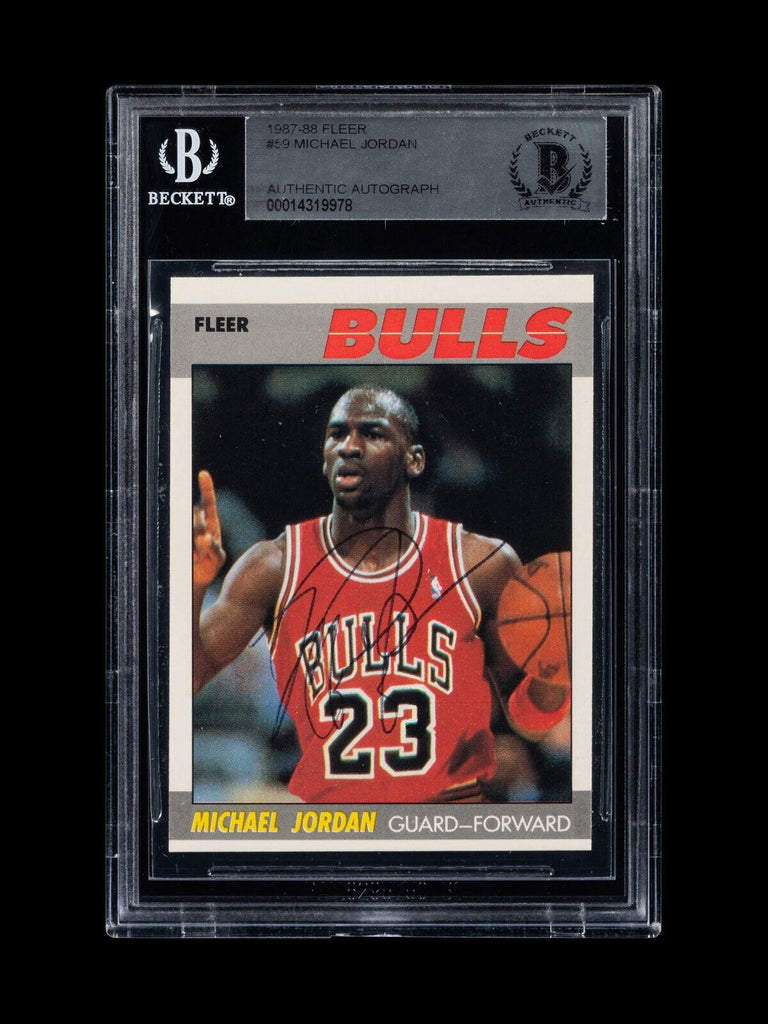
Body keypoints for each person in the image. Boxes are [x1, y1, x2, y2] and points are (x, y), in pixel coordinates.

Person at [193, 386, 570, 803]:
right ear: (324, 458)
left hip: (448, 821)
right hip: (338, 825)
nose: (349, 447)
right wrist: (193, 588)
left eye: (372, 433)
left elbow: (530, 722)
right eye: (337, 434)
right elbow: (181, 681)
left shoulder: (480, 563)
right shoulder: (274, 567)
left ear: (414, 460)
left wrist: (557, 666)